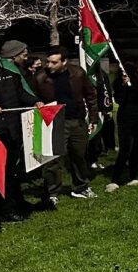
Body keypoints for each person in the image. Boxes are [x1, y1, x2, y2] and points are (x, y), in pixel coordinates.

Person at [0, 40, 38, 218]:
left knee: (12, 168)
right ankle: (8, 208)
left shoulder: (11, 71)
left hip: (13, 126)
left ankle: (17, 201)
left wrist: (34, 102)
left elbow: (19, 92)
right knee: (3, 170)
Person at [32, 47, 99, 201]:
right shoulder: (40, 77)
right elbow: (32, 96)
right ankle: (52, 192)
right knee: (52, 159)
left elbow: (90, 95)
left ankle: (81, 187)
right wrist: (36, 102)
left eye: (54, 62)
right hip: (53, 122)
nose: (49, 65)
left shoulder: (77, 73)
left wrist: (93, 118)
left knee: (79, 156)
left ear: (64, 62)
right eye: (48, 62)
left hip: (76, 120)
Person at [106, 59, 138, 193]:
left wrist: (133, 87)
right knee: (126, 148)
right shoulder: (119, 83)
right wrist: (125, 87)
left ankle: (133, 176)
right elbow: (120, 100)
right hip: (126, 120)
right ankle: (115, 180)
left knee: (136, 148)